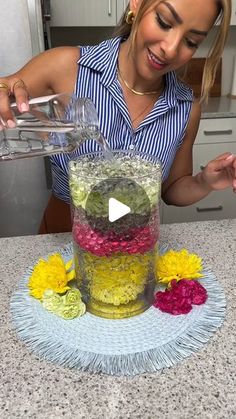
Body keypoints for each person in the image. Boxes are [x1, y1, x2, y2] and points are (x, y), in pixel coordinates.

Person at [0, 0, 235, 233]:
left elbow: (172, 189)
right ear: (137, 4)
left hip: (134, 254)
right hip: (63, 247)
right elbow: (7, 88)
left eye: (190, 41)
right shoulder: (64, 67)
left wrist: (204, 182)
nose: (171, 49)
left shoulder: (186, 109)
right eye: (164, 22)